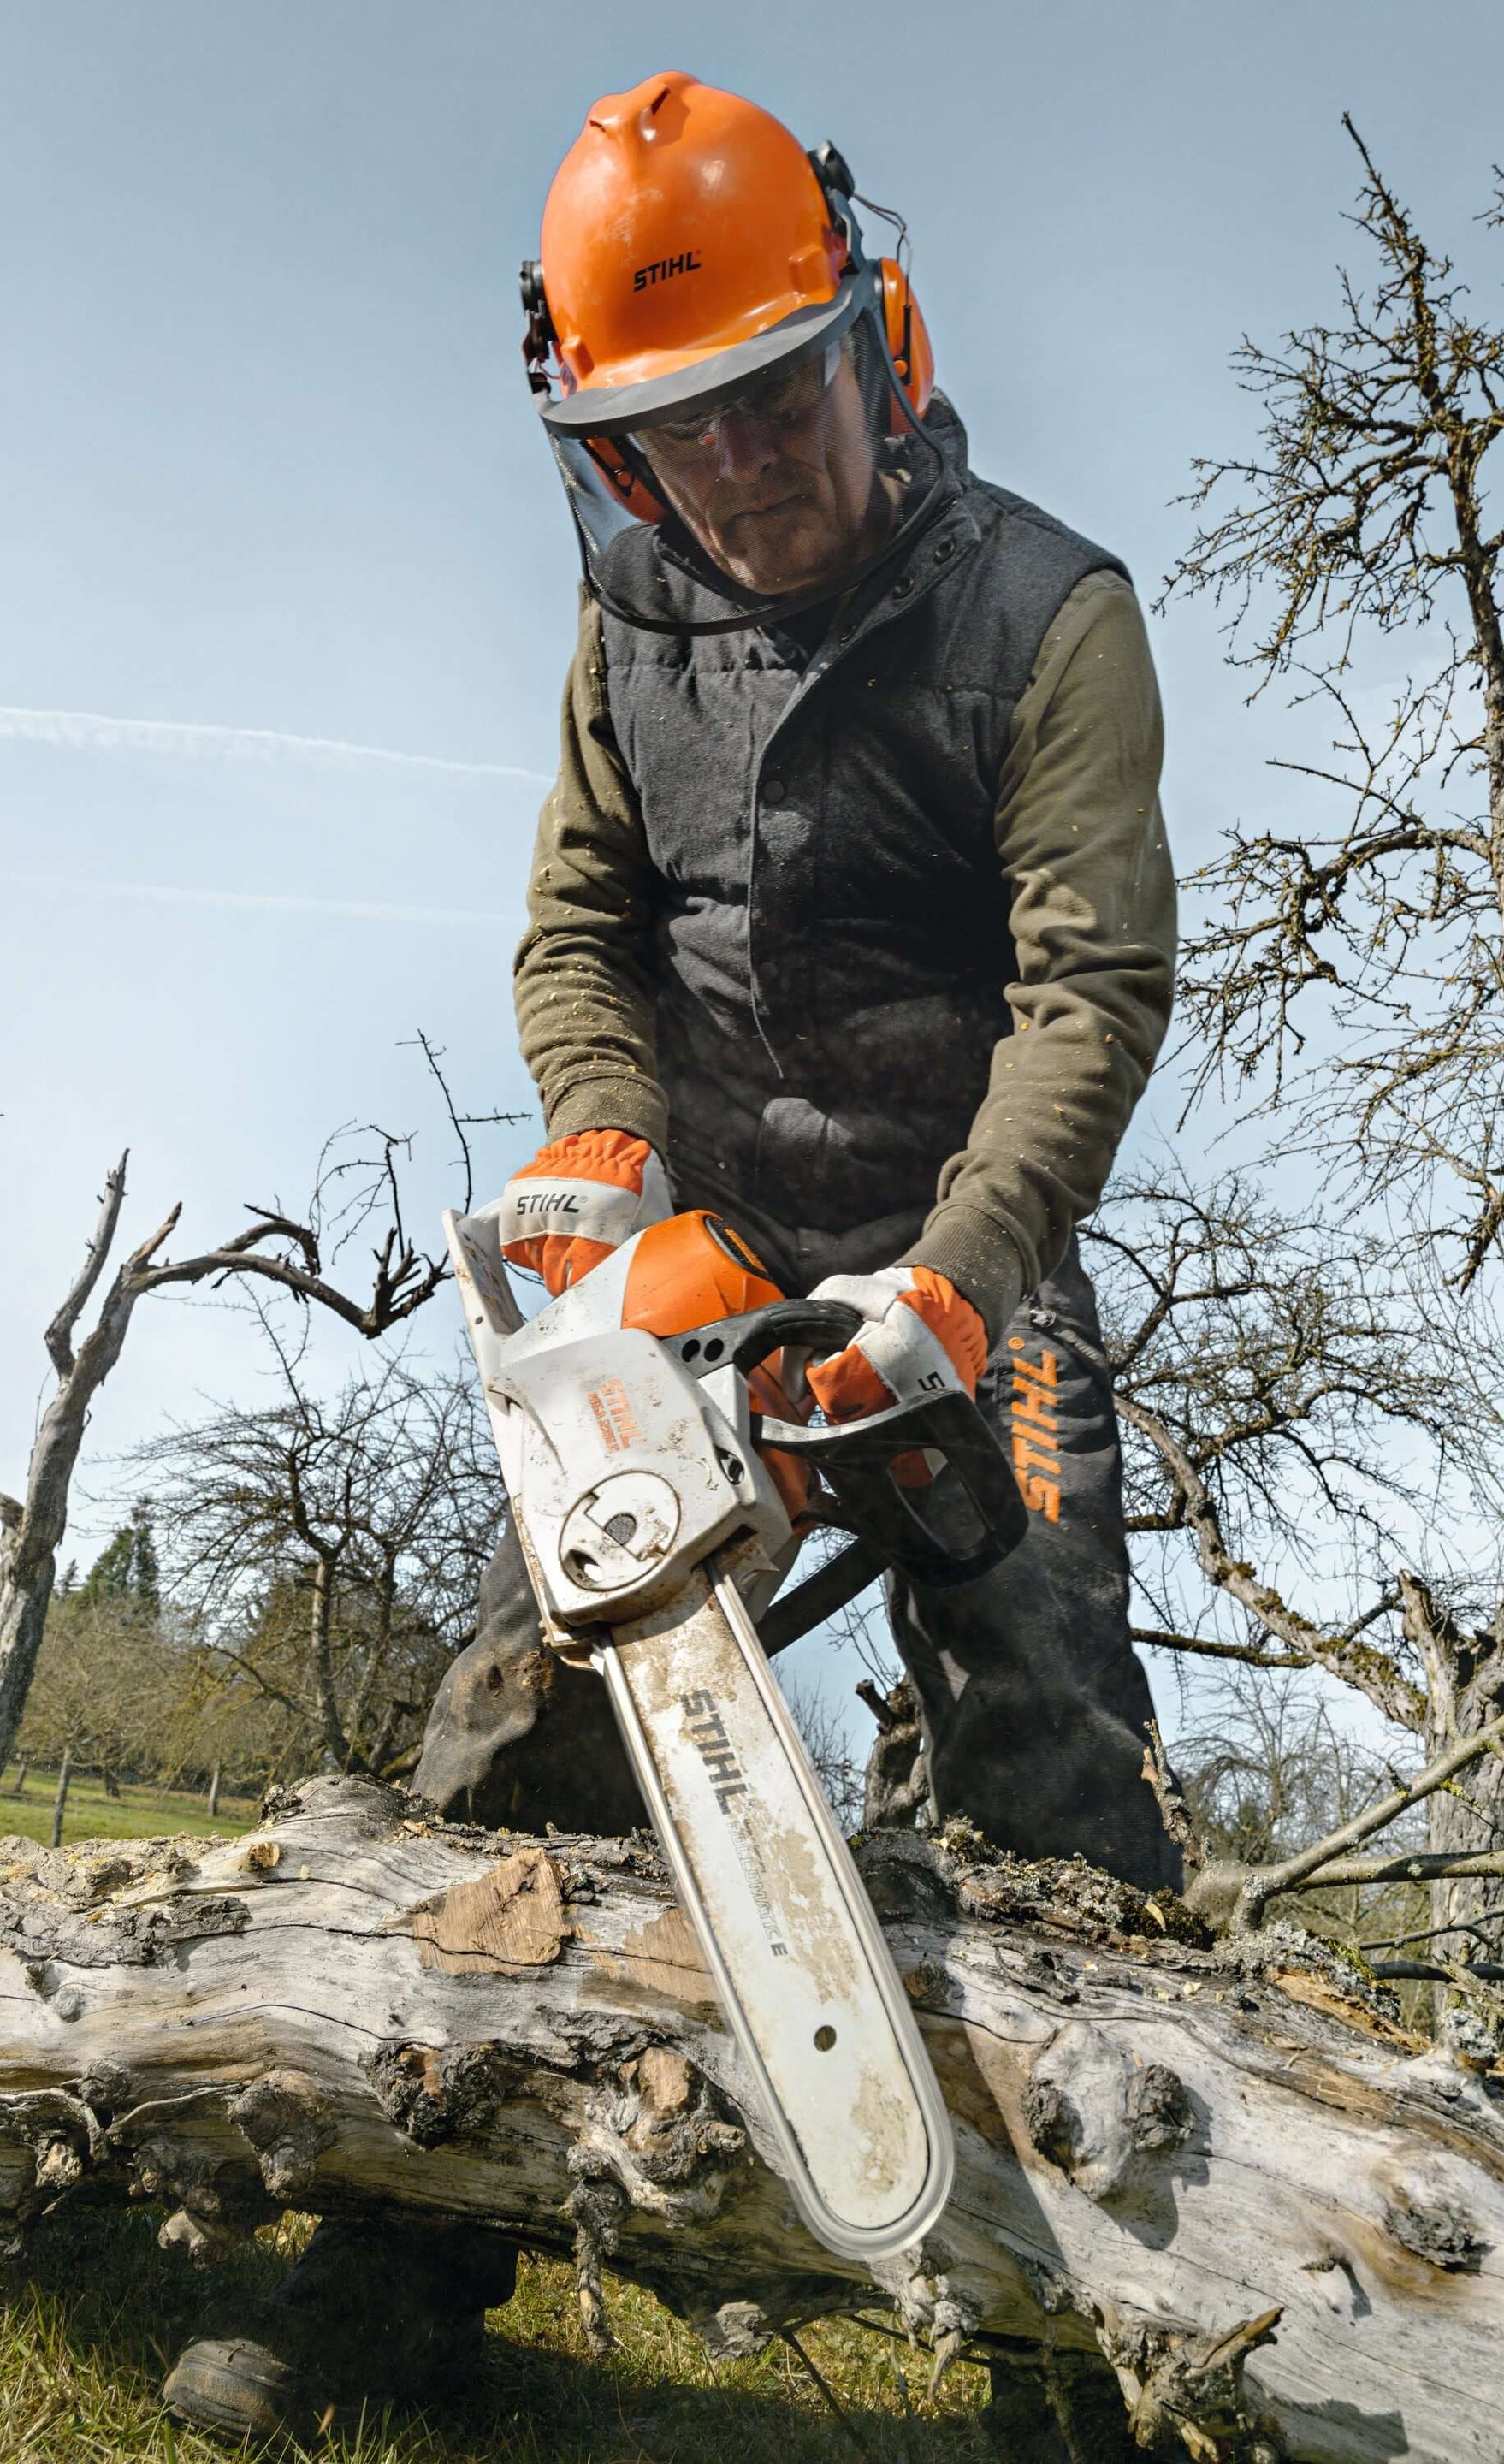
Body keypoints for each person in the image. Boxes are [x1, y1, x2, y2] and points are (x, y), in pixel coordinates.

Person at [164, 71, 1178, 2444]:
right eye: (670, 431)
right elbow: (577, 923)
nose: (733, 468)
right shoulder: (626, 627)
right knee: (518, 1734)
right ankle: (397, 2280)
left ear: (873, 337)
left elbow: (1093, 989)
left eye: (765, 398)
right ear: (605, 446)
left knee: (1055, 1771)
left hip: (968, 1257)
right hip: (700, 1248)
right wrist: (607, 1129)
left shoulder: (1048, 617)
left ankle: (1086, 2386)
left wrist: (957, 1272)